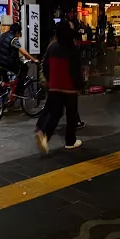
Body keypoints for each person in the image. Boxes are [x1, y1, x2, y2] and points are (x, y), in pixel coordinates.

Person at [35, 21, 83, 154]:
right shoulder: (73, 48)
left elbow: (45, 66)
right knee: (71, 115)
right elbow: (75, 71)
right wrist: (79, 86)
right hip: (69, 88)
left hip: (54, 87)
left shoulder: (52, 47)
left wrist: (50, 80)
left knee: (55, 114)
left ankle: (44, 135)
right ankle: (70, 141)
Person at [0, 23, 38, 96]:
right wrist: (33, 59)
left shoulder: (2, 35)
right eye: (19, 33)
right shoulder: (13, 38)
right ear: (17, 32)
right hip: (3, 63)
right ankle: (19, 91)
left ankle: (3, 99)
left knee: (6, 82)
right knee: (24, 68)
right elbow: (23, 51)